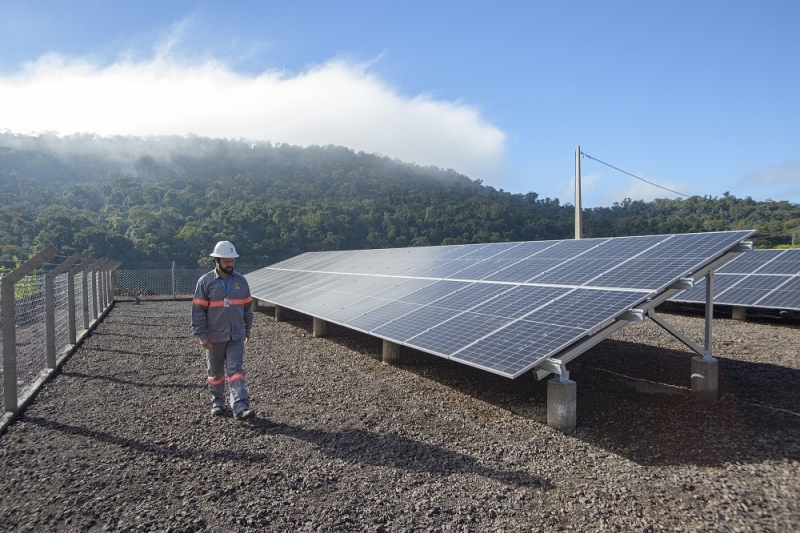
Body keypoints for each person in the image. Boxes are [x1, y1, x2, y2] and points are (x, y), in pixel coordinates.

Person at [191, 240, 256, 420]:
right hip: (214, 337)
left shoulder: (241, 282)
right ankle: (217, 403)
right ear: (217, 261)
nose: (230, 264)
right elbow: (198, 311)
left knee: (236, 371)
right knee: (216, 373)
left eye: (232, 260)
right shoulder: (205, 282)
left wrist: (247, 329)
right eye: (226, 261)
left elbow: (247, 308)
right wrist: (201, 335)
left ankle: (241, 407)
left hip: (236, 334)